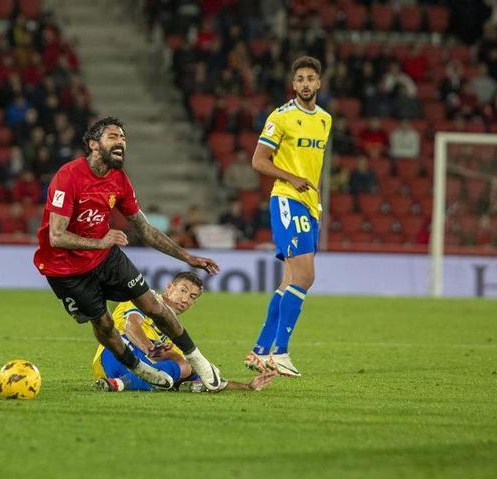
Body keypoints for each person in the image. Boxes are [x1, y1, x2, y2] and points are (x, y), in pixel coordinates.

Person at [34, 116, 226, 392]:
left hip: (105, 258)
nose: (121, 142)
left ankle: (197, 359)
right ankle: (138, 368)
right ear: (93, 144)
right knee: (103, 324)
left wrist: (188, 258)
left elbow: (145, 229)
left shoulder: (119, 180)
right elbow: (57, 235)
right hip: (66, 270)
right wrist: (101, 241)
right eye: (113, 136)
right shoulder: (68, 176)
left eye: (123, 137)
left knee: (154, 305)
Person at [244, 56, 332, 378]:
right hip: (286, 199)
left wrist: (314, 199)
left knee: (290, 280)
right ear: (293, 85)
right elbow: (258, 160)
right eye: (301, 79)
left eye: (311, 78)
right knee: (306, 277)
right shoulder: (280, 117)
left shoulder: (325, 120)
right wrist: (291, 178)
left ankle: (258, 351)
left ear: (319, 83)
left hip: (310, 205)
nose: (306, 84)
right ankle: (279, 353)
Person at [92, 272, 277, 392]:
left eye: (192, 297)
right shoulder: (147, 300)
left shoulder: (173, 330)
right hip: (116, 353)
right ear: (169, 287)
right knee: (181, 363)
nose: (185, 299)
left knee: (189, 368)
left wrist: (248, 386)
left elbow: (205, 374)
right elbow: (131, 326)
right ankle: (122, 383)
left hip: (124, 370)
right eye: (183, 290)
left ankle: (117, 384)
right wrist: (149, 347)